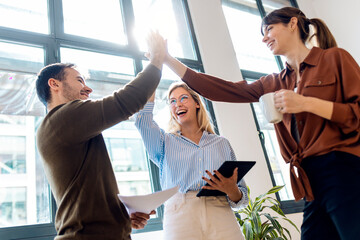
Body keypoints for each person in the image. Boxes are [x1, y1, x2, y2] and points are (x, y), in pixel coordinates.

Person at [158, 6, 360, 240]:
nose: (264, 38)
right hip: (309, 179)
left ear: (293, 24)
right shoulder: (273, 83)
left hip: (342, 168)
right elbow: (224, 90)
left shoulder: (334, 58)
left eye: (269, 29)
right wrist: (167, 59)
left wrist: (307, 104)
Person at [35, 32, 166, 239]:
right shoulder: (62, 118)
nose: (88, 88)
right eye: (79, 80)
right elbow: (127, 101)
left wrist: (121, 218)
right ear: (54, 84)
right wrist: (158, 58)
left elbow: (84, 195)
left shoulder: (64, 126)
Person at [135, 81, 248, 240]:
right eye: (172, 101)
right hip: (180, 214)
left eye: (183, 98)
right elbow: (142, 121)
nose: (177, 104)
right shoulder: (163, 142)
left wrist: (232, 191)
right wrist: (153, 75)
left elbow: (242, 197)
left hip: (220, 211)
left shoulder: (221, 143)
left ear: (196, 103)